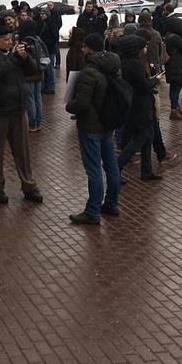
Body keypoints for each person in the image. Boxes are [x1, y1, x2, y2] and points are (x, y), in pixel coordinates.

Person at [0, 24, 43, 204]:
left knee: (23, 152)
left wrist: (24, 57)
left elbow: (33, 69)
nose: (10, 42)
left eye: (11, 39)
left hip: (18, 109)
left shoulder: (13, 55)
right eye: (6, 39)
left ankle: (29, 186)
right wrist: (14, 57)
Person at [65, 33, 121, 224]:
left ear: (90, 48)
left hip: (90, 125)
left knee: (94, 168)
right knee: (111, 164)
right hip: (108, 122)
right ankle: (112, 203)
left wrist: (68, 106)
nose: (83, 49)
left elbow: (81, 103)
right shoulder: (113, 65)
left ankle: (92, 211)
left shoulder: (90, 71)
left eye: (85, 46)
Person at [115, 33, 162, 181]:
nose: (146, 49)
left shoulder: (126, 62)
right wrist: (156, 80)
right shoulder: (135, 64)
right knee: (140, 138)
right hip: (139, 106)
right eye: (144, 47)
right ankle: (116, 166)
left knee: (148, 136)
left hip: (137, 105)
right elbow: (143, 85)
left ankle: (146, 170)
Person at [17, 19, 48, 132]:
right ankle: (39, 122)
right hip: (39, 71)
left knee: (30, 99)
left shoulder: (25, 41)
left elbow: (22, 58)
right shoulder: (38, 39)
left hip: (28, 73)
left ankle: (32, 123)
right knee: (38, 98)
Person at [162, 16, 182, 121]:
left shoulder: (168, 36)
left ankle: (176, 108)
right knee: (175, 89)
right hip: (177, 66)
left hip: (172, 65)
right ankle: (174, 110)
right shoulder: (176, 38)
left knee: (174, 88)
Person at [38, 7, 59, 94]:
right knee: (45, 69)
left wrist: (45, 42)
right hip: (44, 49)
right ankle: (46, 86)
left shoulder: (52, 24)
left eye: (43, 14)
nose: (41, 15)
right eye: (41, 14)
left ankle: (50, 87)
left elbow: (55, 38)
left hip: (49, 49)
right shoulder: (43, 23)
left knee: (49, 69)